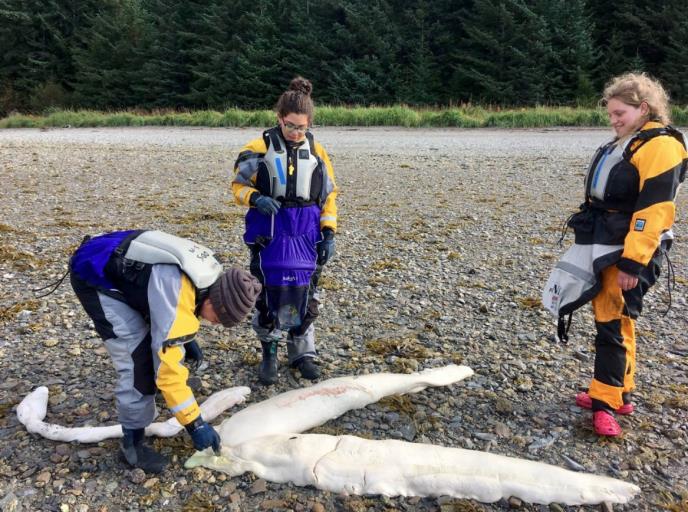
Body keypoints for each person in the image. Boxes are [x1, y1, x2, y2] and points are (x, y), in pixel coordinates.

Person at [69, 229, 261, 472]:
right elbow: (168, 369)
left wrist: (185, 340)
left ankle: (157, 399)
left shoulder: (211, 278)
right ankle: (132, 445)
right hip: (95, 274)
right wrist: (194, 423)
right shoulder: (177, 288)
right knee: (137, 361)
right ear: (212, 300)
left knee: (160, 344)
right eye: (218, 319)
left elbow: (177, 308)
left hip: (122, 262)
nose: (215, 325)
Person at [559, 73, 686, 436]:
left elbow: (654, 211)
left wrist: (633, 263)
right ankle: (620, 393)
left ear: (643, 108)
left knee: (612, 321)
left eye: (620, 113)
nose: (613, 121)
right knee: (615, 317)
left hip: (630, 249)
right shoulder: (632, 142)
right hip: (609, 240)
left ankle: (606, 403)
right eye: (611, 114)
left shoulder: (660, 147)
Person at [231, 77, 338, 385]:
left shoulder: (317, 150)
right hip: (270, 231)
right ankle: (269, 352)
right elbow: (237, 187)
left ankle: (302, 353)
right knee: (268, 293)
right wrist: (256, 198)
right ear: (279, 118)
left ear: (309, 124)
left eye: (302, 127)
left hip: (307, 232)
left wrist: (329, 232)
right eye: (290, 126)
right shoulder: (257, 148)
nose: (295, 133)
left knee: (307, 292)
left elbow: (329, 195)